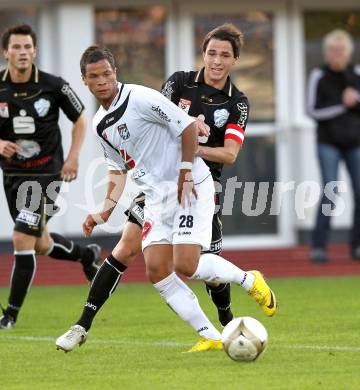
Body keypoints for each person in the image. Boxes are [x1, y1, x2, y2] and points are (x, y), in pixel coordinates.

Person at [56, 38, 277, 353]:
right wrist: (103, 212)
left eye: (106, 74)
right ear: (85, 80)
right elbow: (117, 170)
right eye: (94, 76)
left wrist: (186, 171)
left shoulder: (141, 96)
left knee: (186, 265)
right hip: (157, 196)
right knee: (157, 269)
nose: (102, 81)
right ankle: (211, 335)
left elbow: (187, 128)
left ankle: (248, 279)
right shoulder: (99, 125)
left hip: (190, 186)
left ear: (115, 72)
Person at [0, 24, 101, 329]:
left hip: (46, 174)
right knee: (40, 243)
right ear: (6, 52)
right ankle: (86, 255)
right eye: (16, 47)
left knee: (21, 237)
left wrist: (72, 158)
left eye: (27, 47)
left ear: (34, 51)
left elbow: (81, 119)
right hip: (13, 175)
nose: (22, 53)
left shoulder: (53, 85)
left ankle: (10, 316)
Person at [307, 29, 360, 263]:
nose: (338, 53)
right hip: (328, 142)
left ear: (348, 51)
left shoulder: (356, 73)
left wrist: (355, 100)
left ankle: (356, 246)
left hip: (355, 142)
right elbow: (312, 110)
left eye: (342, 49)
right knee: (331, 191)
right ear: (328, 52)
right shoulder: (319, 74)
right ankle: (318, 246)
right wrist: (343, 103)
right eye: (333, 49)